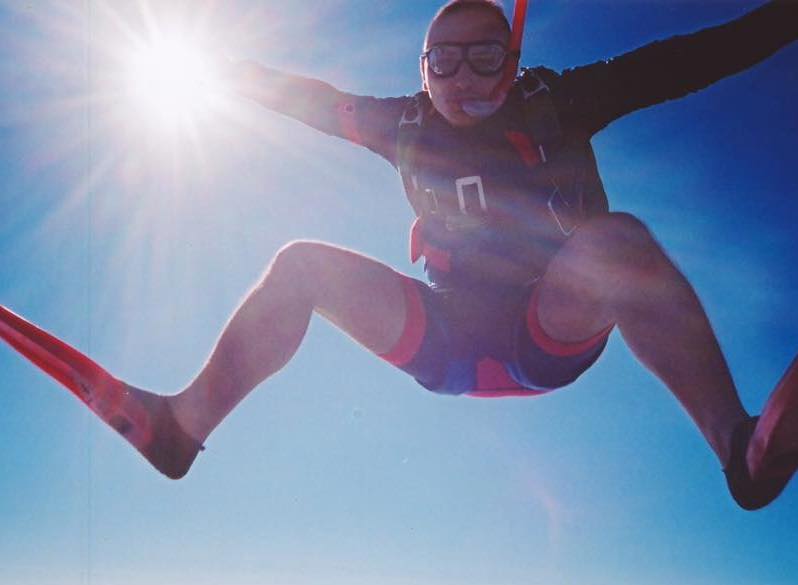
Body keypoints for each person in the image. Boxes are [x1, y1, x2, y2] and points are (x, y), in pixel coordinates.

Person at [1, 0, 797, 510]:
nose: (463, 78)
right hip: (447, 340)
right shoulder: (400, 125)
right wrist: (210, 69)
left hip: (543, 331)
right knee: (302, 263)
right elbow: (305, 98)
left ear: (513, 61)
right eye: (442, 60)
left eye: (486, 56)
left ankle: (740, 450)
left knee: (617, 240)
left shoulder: (565, 101)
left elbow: (684, 61)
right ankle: (181, 427)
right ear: (421, 70)